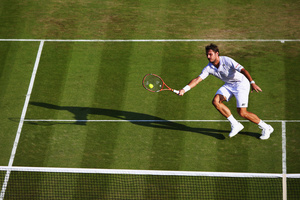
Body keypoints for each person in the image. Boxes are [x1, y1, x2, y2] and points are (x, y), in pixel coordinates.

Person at [178, 43, 273, 140]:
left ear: (217, 54)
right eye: (207, 54)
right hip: (229, 85)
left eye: (210, 54)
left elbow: (243, 70)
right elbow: (197, 80)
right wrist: (184, 89)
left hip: (241, 84)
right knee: (216, 101)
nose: (208, 56)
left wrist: (252, 82)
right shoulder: (208, 68)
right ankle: (235, 124)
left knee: (242, 113)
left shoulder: (227, 60)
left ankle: (267, 127)